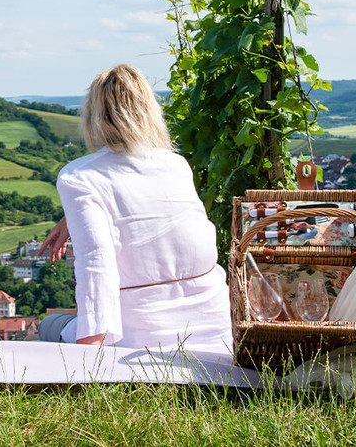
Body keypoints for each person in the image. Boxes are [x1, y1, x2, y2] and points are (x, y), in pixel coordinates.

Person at [38, 65, 233, 352]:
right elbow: (149, 212)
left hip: (138, 335)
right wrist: (73, 218)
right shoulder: (175, 164)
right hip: (216, 327)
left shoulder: (78, 176)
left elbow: (97, 264)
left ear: (95, 116)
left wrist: (89, 357)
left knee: (48, 325)